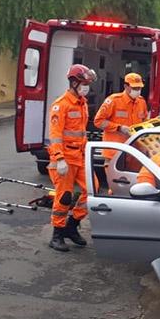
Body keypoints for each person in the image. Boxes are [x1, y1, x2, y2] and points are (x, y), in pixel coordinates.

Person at [47, 64, 97, 252]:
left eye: (88, 84)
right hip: (65, 158)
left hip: (80, 156)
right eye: (84, 83)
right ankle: (57, 235)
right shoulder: (61, 105)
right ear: (74, 83)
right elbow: (55, 134)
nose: (87, 87)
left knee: (93, 190)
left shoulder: (82, 102)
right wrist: (59, 159)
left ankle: (72, 224)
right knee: (64, 197)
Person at [94, 72, 149, 160]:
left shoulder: (141, 102)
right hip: (115, 152)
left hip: (134, 153)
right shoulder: (113, 100)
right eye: (134, 88)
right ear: (125, 86)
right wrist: (119, 128)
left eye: (139, 88)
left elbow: (145, 122)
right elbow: (98, 121)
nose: (138, 90)